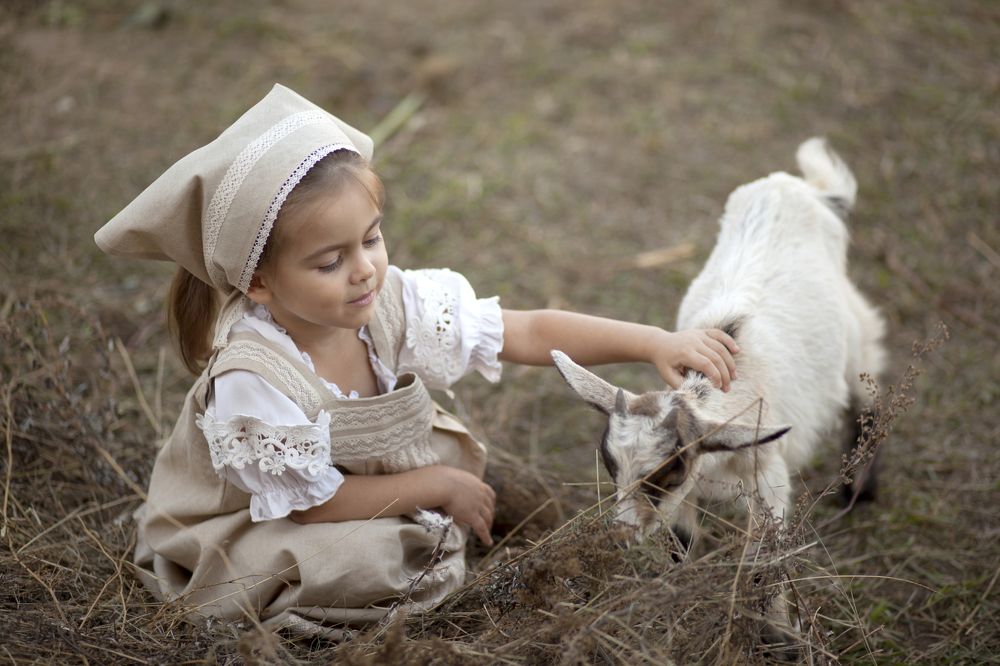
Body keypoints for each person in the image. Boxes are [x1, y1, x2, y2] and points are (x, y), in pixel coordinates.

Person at [95, 84, 739, 637]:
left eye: (371, 238)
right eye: (329, 261)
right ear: (257, 282)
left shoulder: (389, 300)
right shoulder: (252, 377)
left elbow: (523, 330)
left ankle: (417, 529)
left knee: (439, 485)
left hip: (354, 489)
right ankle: (304, 605)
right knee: (374, 558)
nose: (364, 270)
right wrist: (435, 486)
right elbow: (311, 505)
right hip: (260, 520)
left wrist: (652, 342)